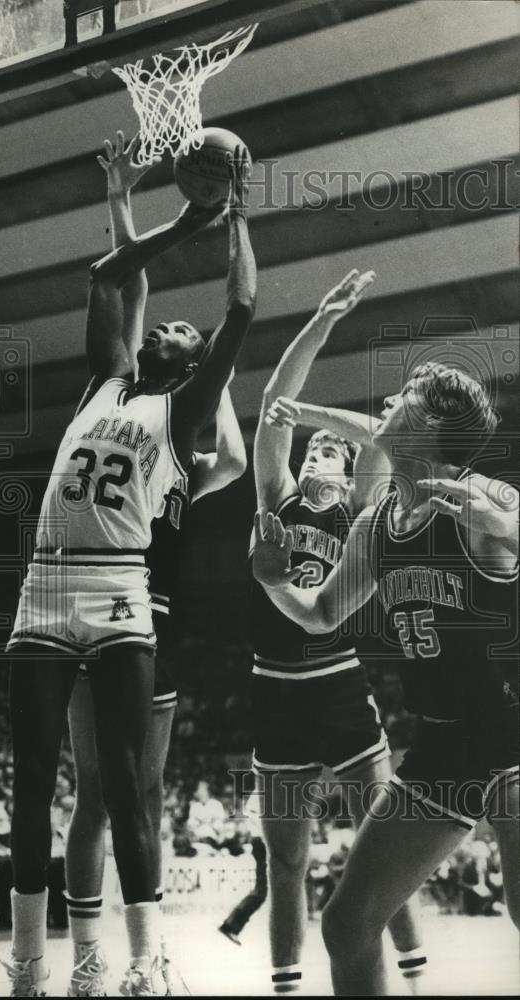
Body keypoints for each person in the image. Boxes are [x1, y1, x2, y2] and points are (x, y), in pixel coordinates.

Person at [0, 131, 256, 997]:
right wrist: (148, 209)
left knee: (123, 792)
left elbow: (230, 335)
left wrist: (229, 222)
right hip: (52, 581)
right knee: (55, 787)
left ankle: (141, 958)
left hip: (129, 597)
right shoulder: (107, 382)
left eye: (182, 334)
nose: (169, 329)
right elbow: (120, 284)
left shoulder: (193, 426)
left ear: (191, 370)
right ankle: (46, 962)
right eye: (162, 330)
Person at [254, 342, 519, 994]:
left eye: (405, 398)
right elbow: (319, 615)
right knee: (347, 924)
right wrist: (272, 582)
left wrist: (511, 525)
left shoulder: (474, 495)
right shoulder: (375, 528)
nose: (388, 403)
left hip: (512, 731)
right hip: (442, 745)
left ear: (427, 428)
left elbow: (512, 516)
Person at [251, 269, 424, 994]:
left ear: (350, 470)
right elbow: (272, 410)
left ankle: (413, 973)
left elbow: (382, 443)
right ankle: (288, 981)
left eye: (334, 448)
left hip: (341, 693)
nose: (322, 448)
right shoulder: (276, 497)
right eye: (313, 445)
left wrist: (361, 438)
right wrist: (321, 319)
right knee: (285, 860)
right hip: (277, 696)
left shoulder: (358, 512)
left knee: (377, 850)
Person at [218, 787, 268, 945]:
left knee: (263, 890)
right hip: (263, 841)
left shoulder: (259, 793)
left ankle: (232, 925)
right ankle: (231, 925)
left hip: (259, 840)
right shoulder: (265, 791)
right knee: (261, 890)